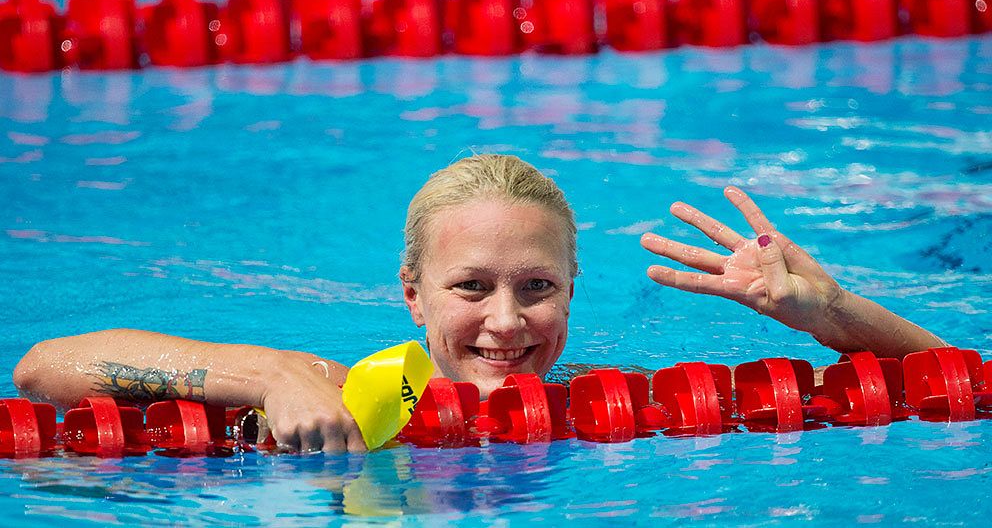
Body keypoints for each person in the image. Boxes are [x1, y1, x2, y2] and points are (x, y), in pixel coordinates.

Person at [12, 154, 946, 453]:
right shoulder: (335, 397)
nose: (507, 323)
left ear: (572, 292)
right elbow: (45, 366)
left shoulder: (625, 406)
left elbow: (956, 388)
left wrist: (832, 315)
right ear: (411, 294)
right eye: (471, 287)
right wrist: (272, 376)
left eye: (538, 289)